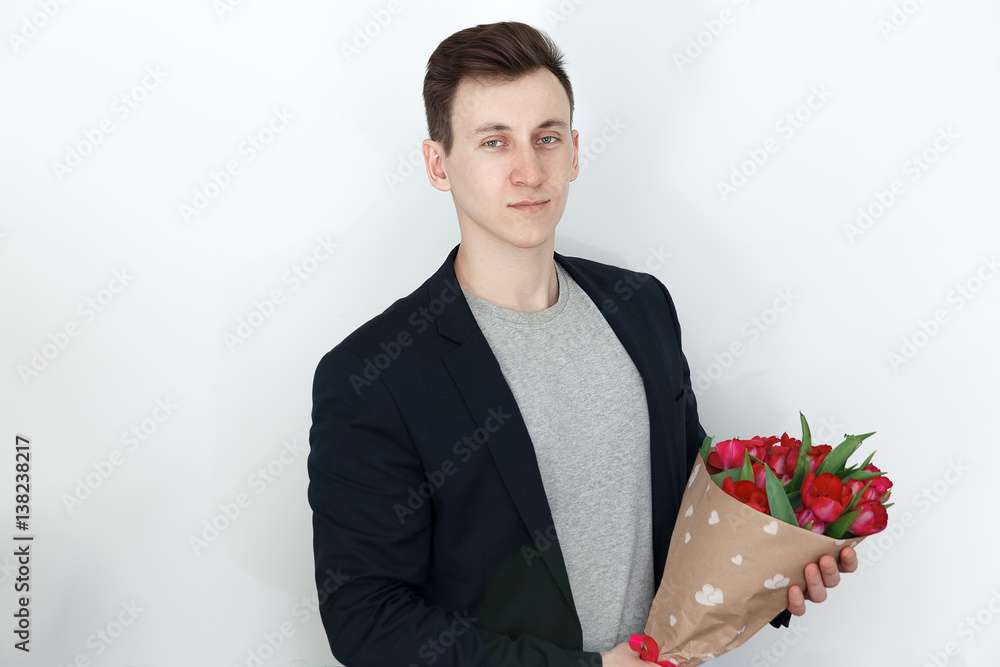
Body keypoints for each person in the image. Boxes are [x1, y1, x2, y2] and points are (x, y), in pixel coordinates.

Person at [308, 21, 856, 667]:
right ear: (438, 163)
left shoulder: (642, 306)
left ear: (574, 150)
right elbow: (367, 619)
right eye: (494, 142)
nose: (529, 170)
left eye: (547, 137)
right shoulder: (373, 375)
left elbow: (691, 516)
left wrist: (778, 565)